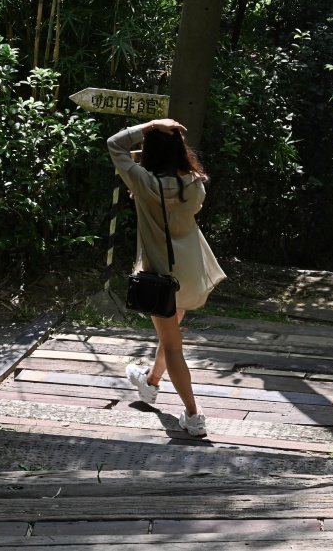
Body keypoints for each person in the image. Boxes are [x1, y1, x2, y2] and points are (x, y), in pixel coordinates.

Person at [107, 117, 226, 437]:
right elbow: (182, 208)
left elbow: (114, 144)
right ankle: (150, 383)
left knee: (173, 345)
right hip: (191, 270)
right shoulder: (195, 183)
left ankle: (194, 414)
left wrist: (149, 125)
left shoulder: (143, 182)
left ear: (149, 150)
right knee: (170, 335)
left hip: (160, 275)